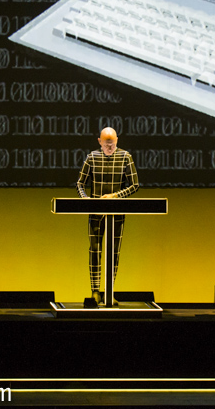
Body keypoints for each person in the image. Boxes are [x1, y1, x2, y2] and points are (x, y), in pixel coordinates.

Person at [76, 127, 140, 305]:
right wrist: (87, 200)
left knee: (114, 252)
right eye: (106, 144)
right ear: (99, 142)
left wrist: (115, 196)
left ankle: (109, 290)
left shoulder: (125, 157)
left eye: (112, 144)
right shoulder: (92, 157)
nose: (109, 148)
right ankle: (95, 290)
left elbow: (134, 185)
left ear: (117, 141)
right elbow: (80, 183)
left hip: (116, 212)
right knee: (95, 249)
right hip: (95, 212)